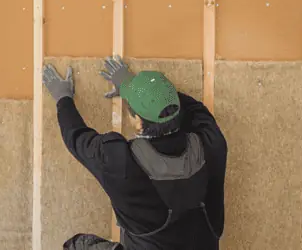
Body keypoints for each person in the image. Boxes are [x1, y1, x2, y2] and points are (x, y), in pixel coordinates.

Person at [42, 55, 227, 250]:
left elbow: (77, 138)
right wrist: (135, 89)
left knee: (77, 246)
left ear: (138, 122)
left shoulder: (120, 163)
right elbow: (195, 109)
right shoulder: (211, 144)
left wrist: (63, 97)